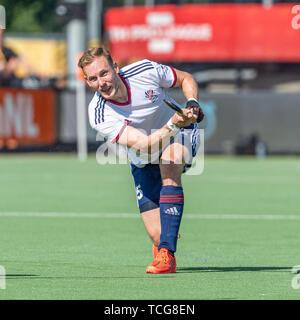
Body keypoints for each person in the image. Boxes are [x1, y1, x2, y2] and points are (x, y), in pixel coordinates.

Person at [78, 47, 204, 274]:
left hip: (180, 134)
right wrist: (174, 122)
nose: (101, 83)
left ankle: (167, 256)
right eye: (93, 79)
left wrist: (192, 102)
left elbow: (186, 78)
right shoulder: (99, 114)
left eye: (104, 73)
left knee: (170, 160)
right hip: (145, 154)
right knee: (159, 233)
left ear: (116, 68)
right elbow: (146, 145)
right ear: (87, 82)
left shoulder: (145, 70)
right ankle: (164, 237)